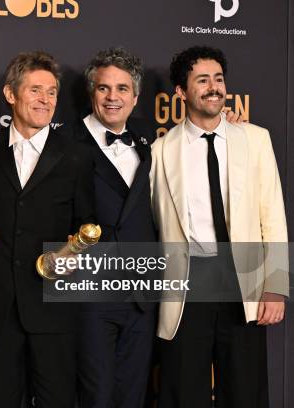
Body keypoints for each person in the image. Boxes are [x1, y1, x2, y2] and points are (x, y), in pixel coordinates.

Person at [150, 45, 288, 408]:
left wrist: (275, 286)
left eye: (218, 79)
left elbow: (272, 214)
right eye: (202, 80)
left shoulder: (256, 139)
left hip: (243, 281)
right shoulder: (161, 150)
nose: (214, 88)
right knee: (183, 390)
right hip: (186, 285)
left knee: (245, 390)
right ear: (181, 92)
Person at [0, 51, 94, 408]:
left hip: (54, 307)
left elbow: (90, 226)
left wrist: (75, 256)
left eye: (51, 92)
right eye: (35, 90)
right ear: (10, 94)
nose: (45, 100)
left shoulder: (78, 156)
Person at [74, 47, 157, 408]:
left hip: (140, 294)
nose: (113, 97)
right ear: (92, 93)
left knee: (132, 398)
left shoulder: (150, 144)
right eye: (104, 88)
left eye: (122, 89)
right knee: (96, 398)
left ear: (135, 97)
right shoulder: (64, 144)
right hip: (89, 294)